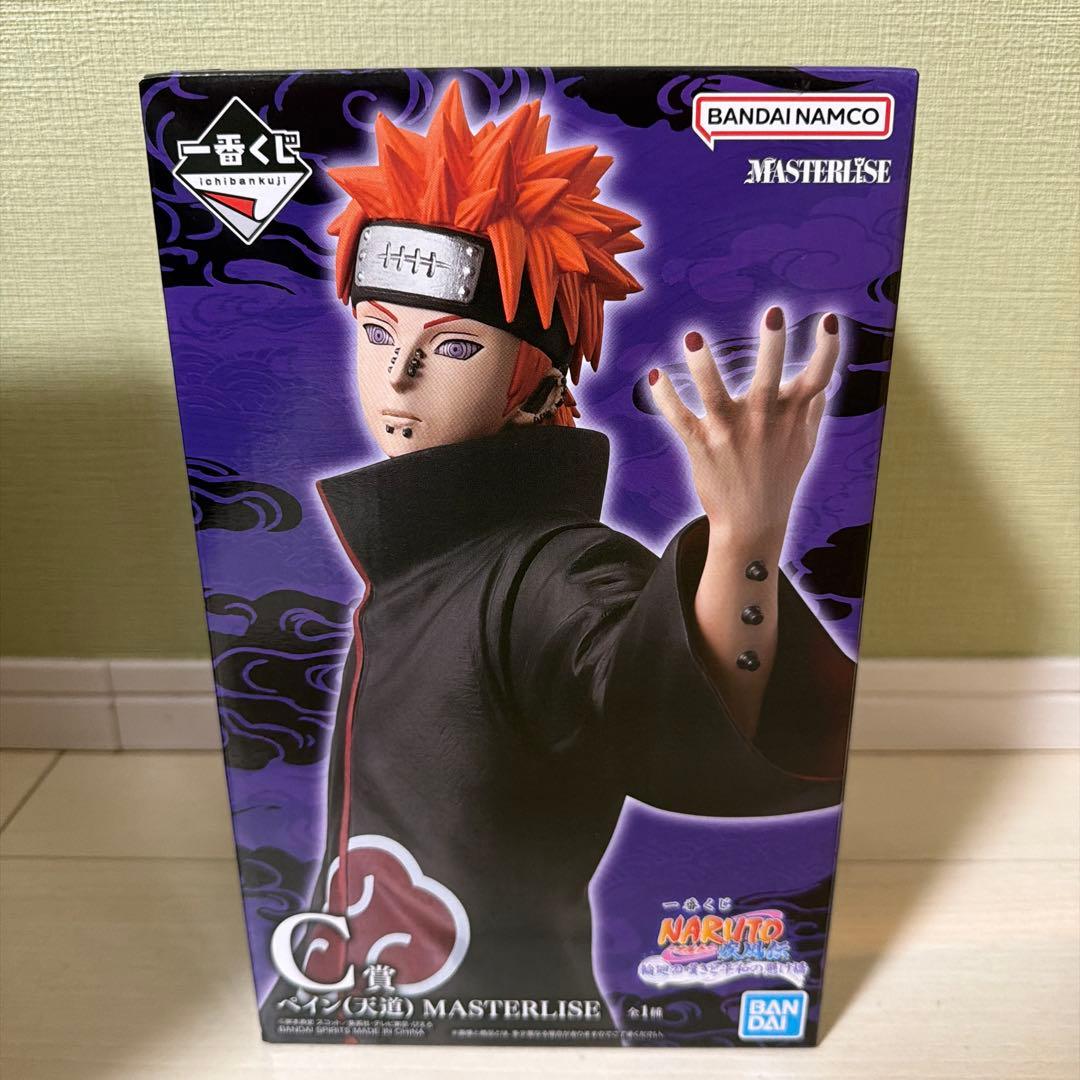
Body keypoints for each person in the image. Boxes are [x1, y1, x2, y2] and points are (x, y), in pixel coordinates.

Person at [261, 81, 854, 1035]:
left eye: (454, 346)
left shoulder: (555, 570)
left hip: (498, 1019)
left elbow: (659, 716)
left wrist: (743, 540)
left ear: (536, 377)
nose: (398, 375)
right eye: (376, 332)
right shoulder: (418, 558)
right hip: (361, 1003)